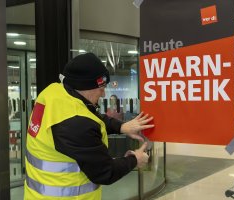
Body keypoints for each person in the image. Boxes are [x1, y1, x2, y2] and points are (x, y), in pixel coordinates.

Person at [24, 53, 154, 200]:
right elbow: (105, 172)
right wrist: (135, 160)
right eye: (101, 88)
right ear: (86, 87)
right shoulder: (76, 124)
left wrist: (121, 127)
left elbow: (89, 116)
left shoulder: (52, 94)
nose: (104, 93)